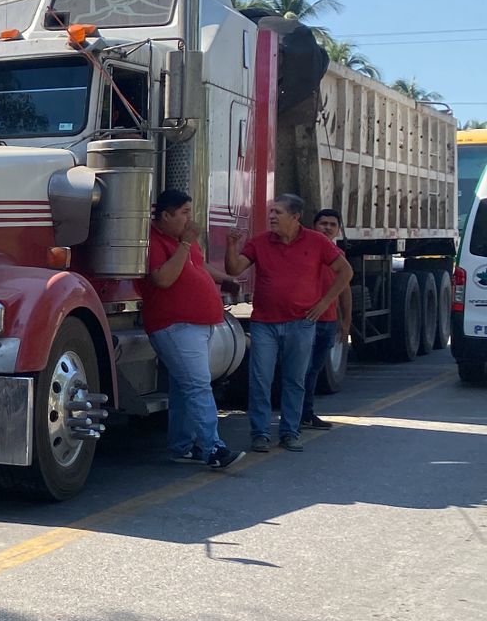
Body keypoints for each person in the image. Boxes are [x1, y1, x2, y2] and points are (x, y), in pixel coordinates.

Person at [225, 194, 353, 453]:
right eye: (271, 211)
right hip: (264, 323)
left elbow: (346, 271)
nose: (271, 216)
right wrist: (231, 245)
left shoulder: (317, 242)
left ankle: (290, 432)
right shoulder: (260, 242)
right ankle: (260, 434)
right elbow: (235, 269)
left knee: (295, 379)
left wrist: (324, 302)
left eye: (278, 212)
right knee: (260, 379)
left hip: (301, 323)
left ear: (295, 218)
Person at [137, 190, 243, 470]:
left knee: (185, 388)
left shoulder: (182, 241)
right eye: (184, 212)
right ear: (165, 215)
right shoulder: (153, 240)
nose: (189, 219)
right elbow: (163, 278)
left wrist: (225, 280)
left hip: (196, 325)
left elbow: (199, 264)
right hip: (174, 326)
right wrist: (185, 243)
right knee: (197, 386)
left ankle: (183, 446)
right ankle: (213, 448)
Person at [302, 209, 354, 429]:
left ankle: (306, 413)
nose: (328, 228)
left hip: (327, 321)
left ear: (339, 230)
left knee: (313, 369)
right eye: (323, 223)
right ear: (313, 226)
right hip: (304, 320)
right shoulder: (303, 250)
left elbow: (345, 290)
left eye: (333, 225)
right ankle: (294, 415)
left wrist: (346, 322)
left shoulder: (338, 255)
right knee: (298, 370)